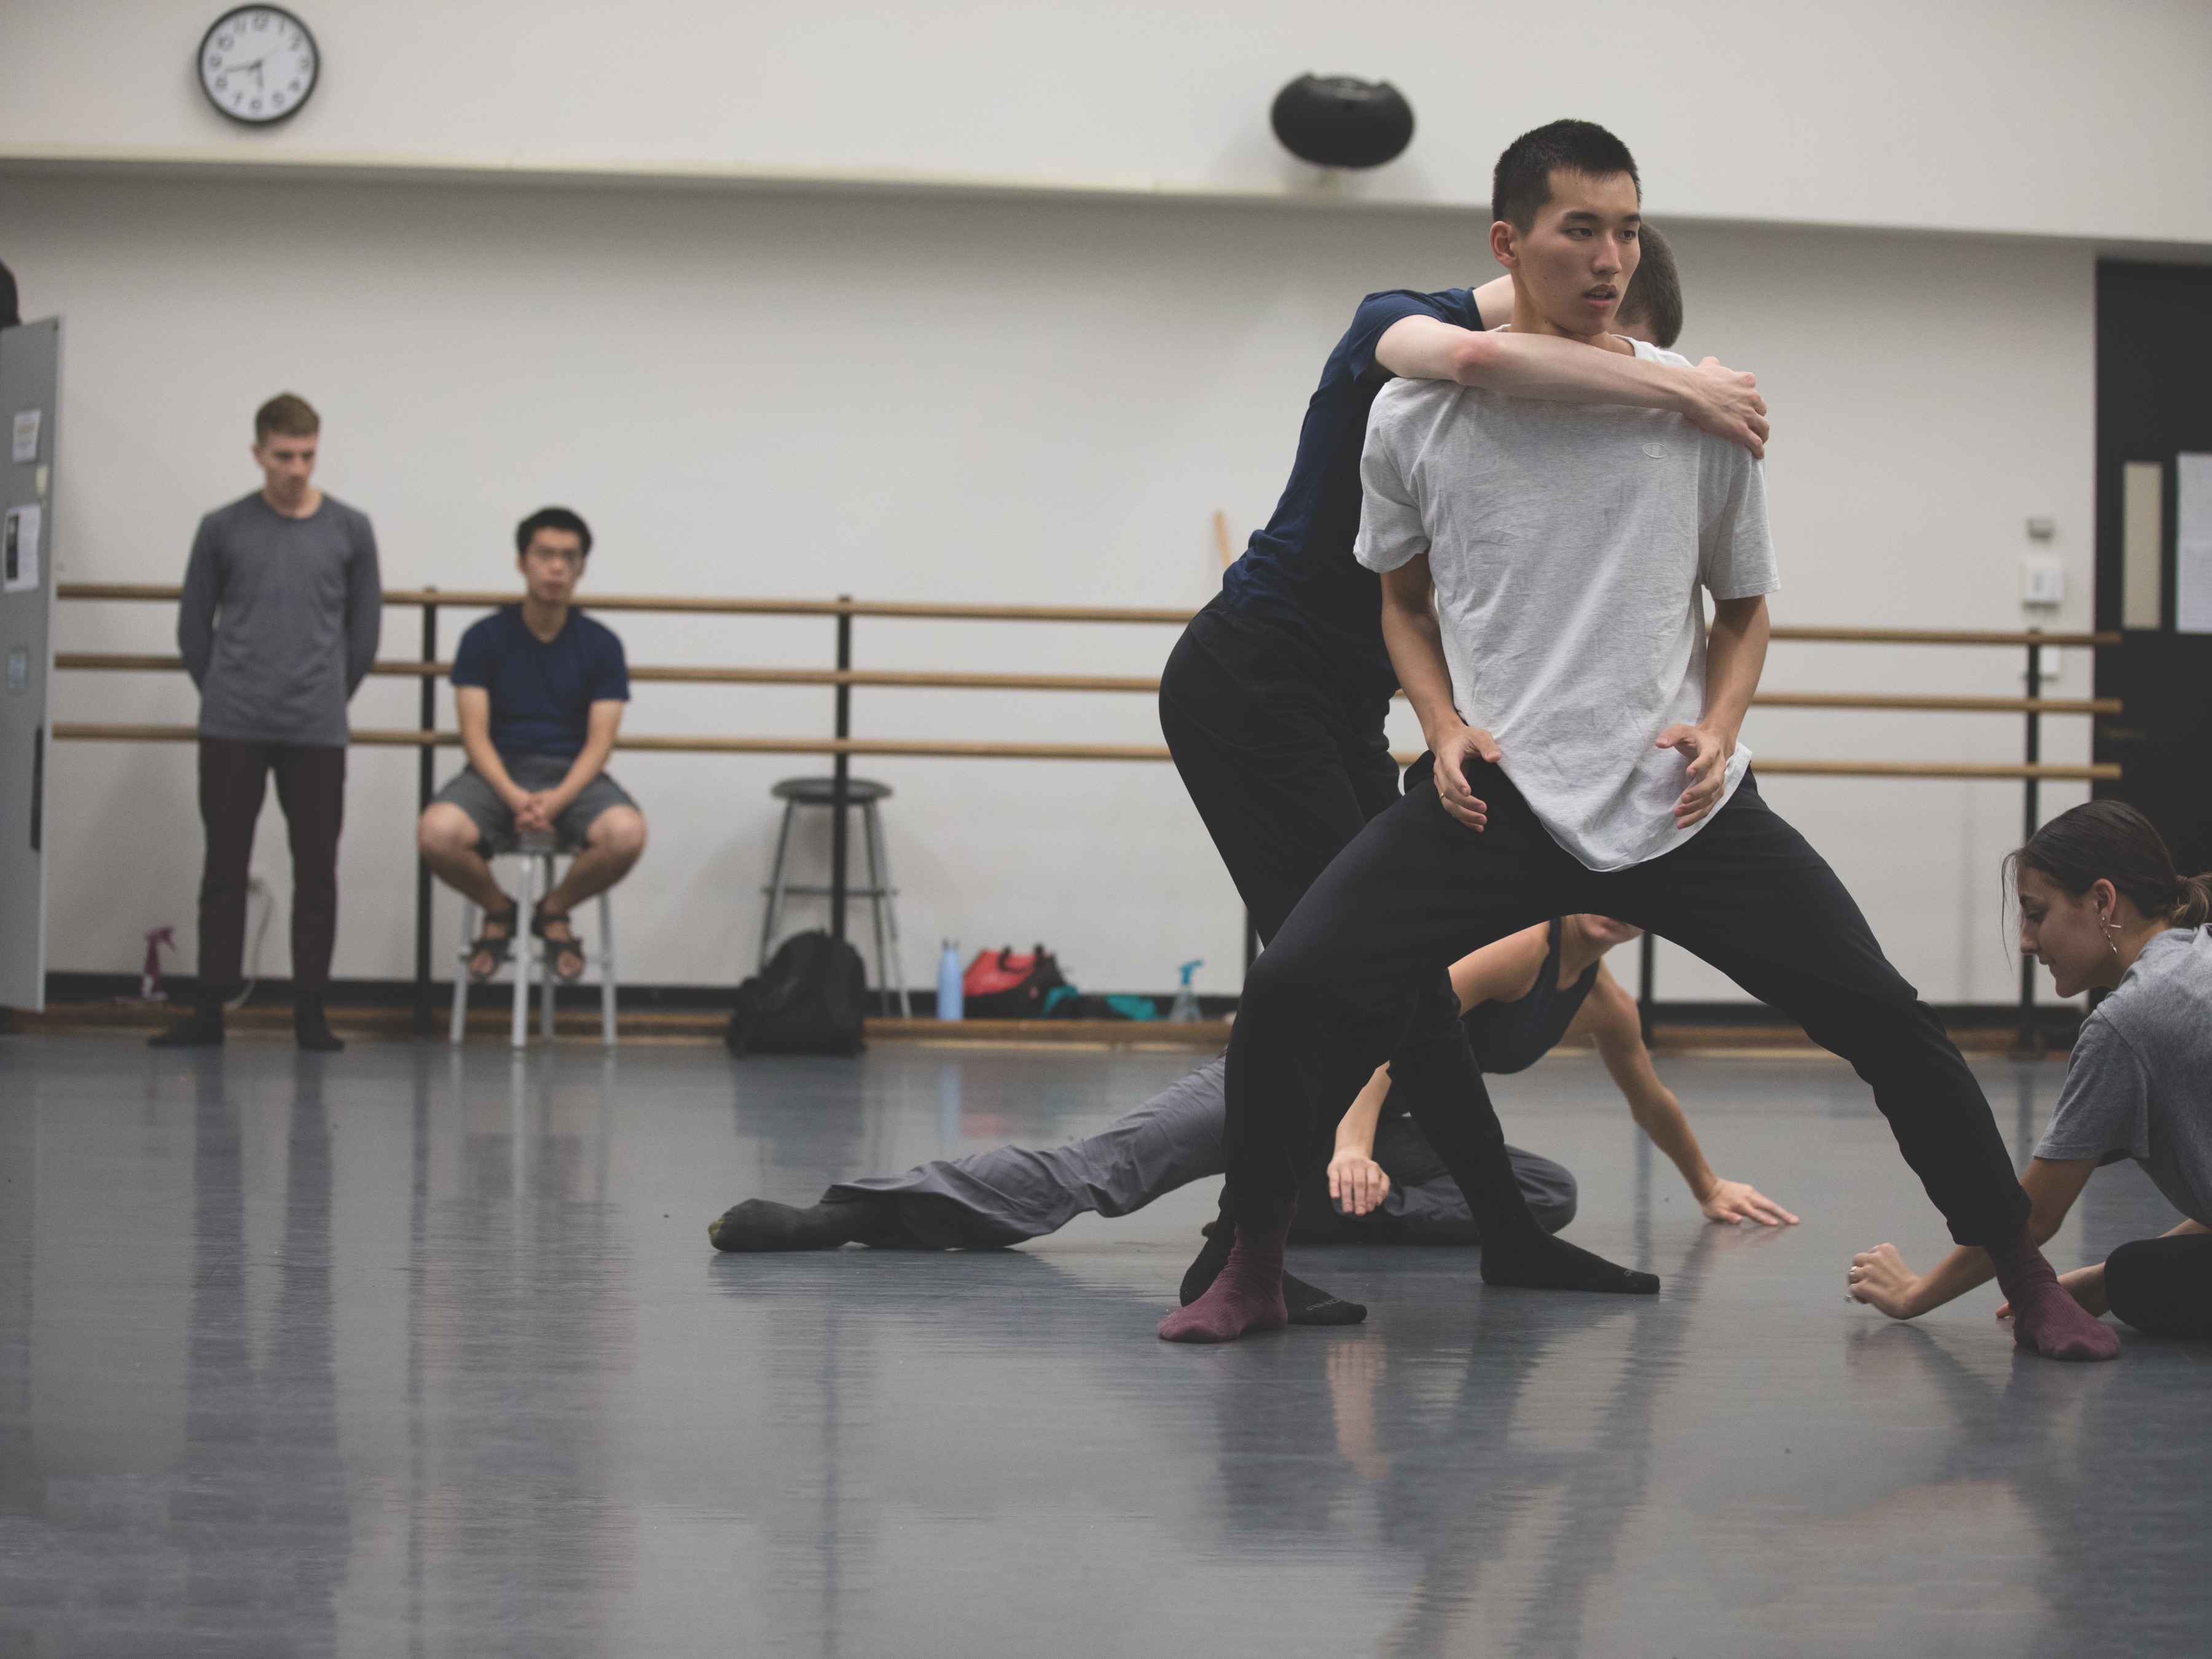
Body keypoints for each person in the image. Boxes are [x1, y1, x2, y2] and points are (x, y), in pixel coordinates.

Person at [1161, 119, 2116, 1363]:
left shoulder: (1701, 420)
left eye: (1628, 229)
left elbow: (1747, 608)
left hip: (1677, 804)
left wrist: (1721, 728)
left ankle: (2031, 1280)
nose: (1611, 257)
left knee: (1886, 1015)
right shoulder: (1416, 409)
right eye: (1581, 230)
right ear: (1511, 242)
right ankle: (1257, 1264)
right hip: (1491, 800)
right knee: (1295, 990)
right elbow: (1399, 597)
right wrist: (1443, 725)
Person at [1159, 180, 1765, 1320]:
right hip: (1247, 684)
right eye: (1606, 333)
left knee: (1406, 982)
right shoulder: (1394, 322)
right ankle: (1238, 1252)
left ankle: (1501, 1236)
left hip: (1340, 705)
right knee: (1332, 978)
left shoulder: (1516, 395)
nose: (1613, 360)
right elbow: (1489, 365)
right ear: (1533, 269)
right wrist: (1684, 386)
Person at [705, 913, 1793, 1325]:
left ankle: (1301, 1215)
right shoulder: (1518, 947)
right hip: (1297, 1077)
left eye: (1631, 892)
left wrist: (1704, 1184)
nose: (1607, 903)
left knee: (1541, 1194)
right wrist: (1354, 1141)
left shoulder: (1601, 995)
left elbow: (1646, 1087)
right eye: (1592, 880)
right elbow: (1396, 1032)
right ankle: (849, 1212)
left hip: (1384, 1125)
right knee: (1105, 1174)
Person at [1848, 802, 2212, 1341]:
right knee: (2136, 1268)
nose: (2024, 940)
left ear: (2103, 902)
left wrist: (1914, 1293)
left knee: (2138, 1275)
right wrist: (2099, 1279)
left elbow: (2036, 1213)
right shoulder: (2198, 954)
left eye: (2036, 914)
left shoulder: (2129, 1022)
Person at [153, 393, 380, 1051]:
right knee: (223, 866)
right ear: (258, 454)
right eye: (284, 455)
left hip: (315, 726)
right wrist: (225, 692)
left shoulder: (350, 529)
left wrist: (328, 697)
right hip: (234, 724)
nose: (297, 468)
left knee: (317, 870)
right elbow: (194, 626)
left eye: (308, 454)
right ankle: (208, 1011)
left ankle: (310, 1011)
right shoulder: (223, 527)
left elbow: (363, 633)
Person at [417, 507, 645, 986]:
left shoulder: (602, 644)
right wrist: (513, 796)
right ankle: (500, 911)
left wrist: (557, 799)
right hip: (496, 773)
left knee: (627, 833)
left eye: (568, 557)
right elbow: (474, 735)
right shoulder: (484, 638)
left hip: (573, 776)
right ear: (522, 563)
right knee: (436, 833)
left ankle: (551, 912)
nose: (556, 567)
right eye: (544, 555)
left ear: (582, 568)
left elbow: (600, 742)